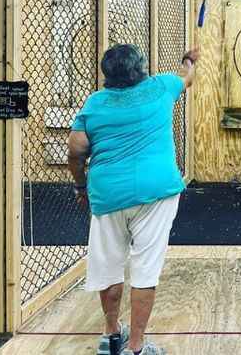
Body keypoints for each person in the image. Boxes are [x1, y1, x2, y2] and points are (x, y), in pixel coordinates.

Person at [68, 43, 199, 355]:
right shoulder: (161, 87)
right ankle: (136, 347)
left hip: (107, 194)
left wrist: (81, 186)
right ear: (140, 69)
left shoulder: (94, 104)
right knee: (145, 268)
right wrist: (189, 60)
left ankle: (111, 334)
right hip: (157, 192)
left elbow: (75, 151)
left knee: (109, 265)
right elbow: (187, 77)